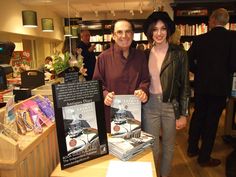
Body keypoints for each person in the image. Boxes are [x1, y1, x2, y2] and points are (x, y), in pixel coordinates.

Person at [142, 11, 190, 177]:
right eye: (155, 29)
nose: (159, 33)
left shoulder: (179, 53)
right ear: (150, 32)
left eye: (163, 28)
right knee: (152, 147)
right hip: (150, 106)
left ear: (168, 30)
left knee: (169, 146)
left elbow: (185, 85)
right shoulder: (145, 54)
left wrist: (184, 114)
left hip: (171, 105)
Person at [187, 8, 236, 167]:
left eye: (209, 20)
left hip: (201, 85)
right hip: (220, 87)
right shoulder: (233, 38)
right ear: (226, 22)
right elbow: (233, 65)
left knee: (198, 116)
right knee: (212, 122)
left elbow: (188, 61)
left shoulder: (200, 39)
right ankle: (204, 157)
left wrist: (199, 71)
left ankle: (192, 149)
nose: (208, 22)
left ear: (213, 20)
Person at [92, 19, 150, 132]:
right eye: (119, 32)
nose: (124, 36)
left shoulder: (140, 56)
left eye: (128, 31)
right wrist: (105, 95)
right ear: (113, 36)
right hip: (112, 116)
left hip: (135, 113)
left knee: (135, 145)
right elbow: (97, 84)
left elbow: (145, 80)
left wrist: (143, 91)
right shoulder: (103, 58)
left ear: (133, 35)